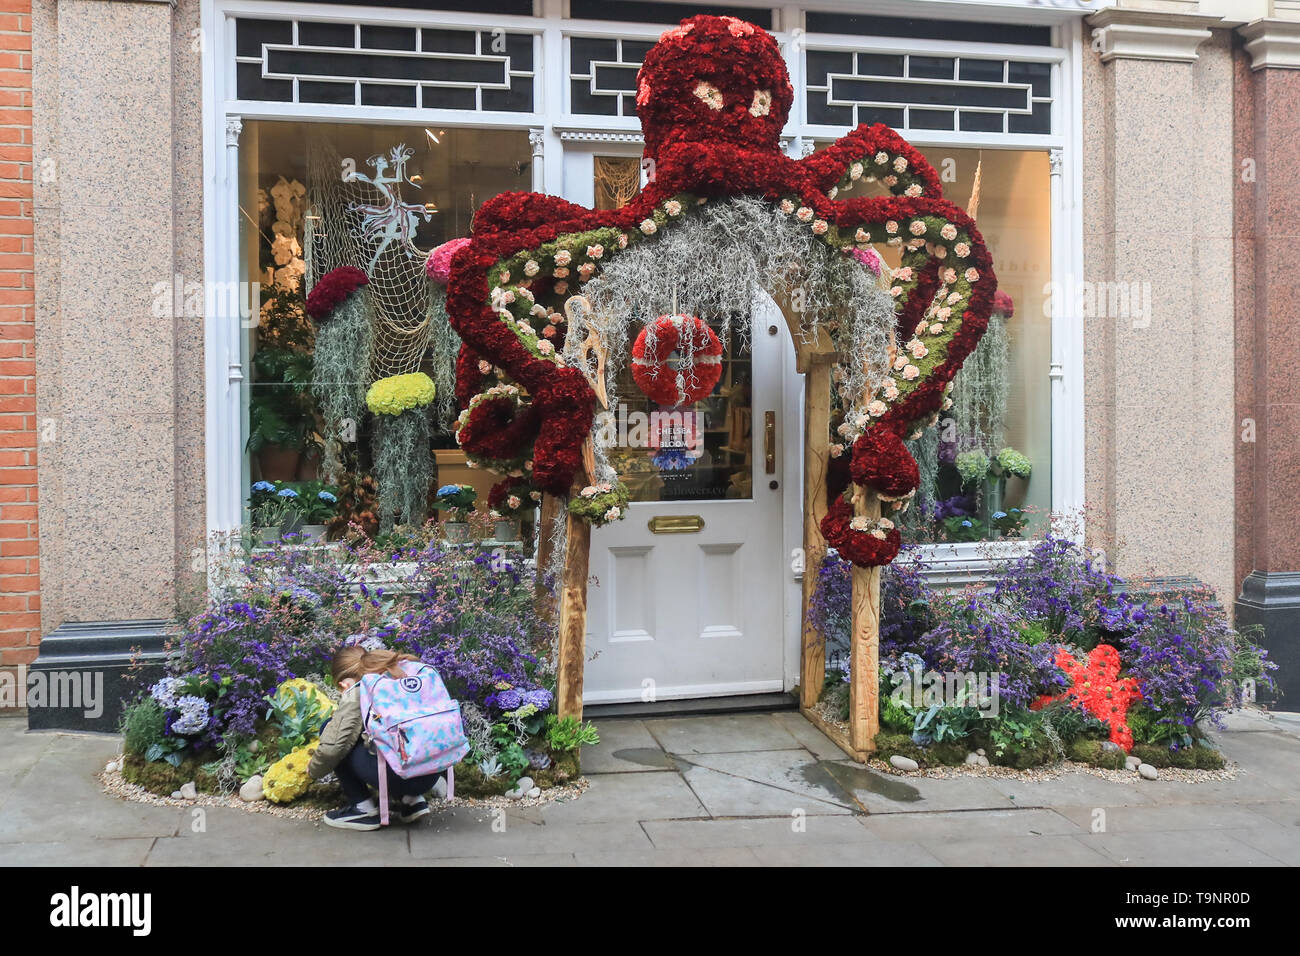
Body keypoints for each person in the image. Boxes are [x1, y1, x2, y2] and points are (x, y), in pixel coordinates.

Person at [308, 645, 445, 831]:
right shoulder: (396, 676)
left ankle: (362, 808)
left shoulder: (358, 690)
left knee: (332, 729)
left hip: (398, 776)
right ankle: (412, 800)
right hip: (430, 772)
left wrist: (312, 772)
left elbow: (333, 748)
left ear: (343, 683)